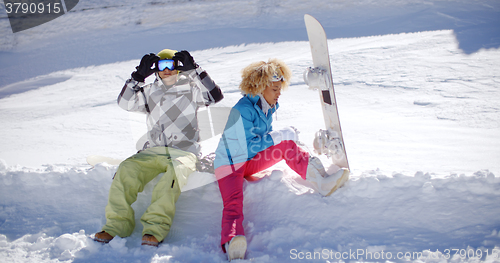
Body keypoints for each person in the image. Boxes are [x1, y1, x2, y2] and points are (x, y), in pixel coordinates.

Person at [213, 59, 349, 260]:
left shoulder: (267, 106)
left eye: (279, 89)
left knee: (286, 146)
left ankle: (321, 182)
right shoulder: (242, 110)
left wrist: (279, 139)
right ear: (261, 87)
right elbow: (248, 147)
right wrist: (276, 137)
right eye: (275, 89)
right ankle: (232, 241)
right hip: (229, 164)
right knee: (233, 202)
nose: (278, 94)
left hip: (249, 162)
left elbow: (262, 144)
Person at [93, 49, 224, 247]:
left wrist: (196, 70)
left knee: (174, 174)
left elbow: (215, 96)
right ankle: (116, 226)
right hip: (152, 151)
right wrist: (137, 77)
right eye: (162, 66)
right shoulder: (149, 92)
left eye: (172, 65)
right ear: (155, 70)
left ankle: (154, 230)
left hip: (183, 152)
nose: (167, 70)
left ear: (179, 68)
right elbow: (124, 103)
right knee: (126, 169)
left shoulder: (191, 88)